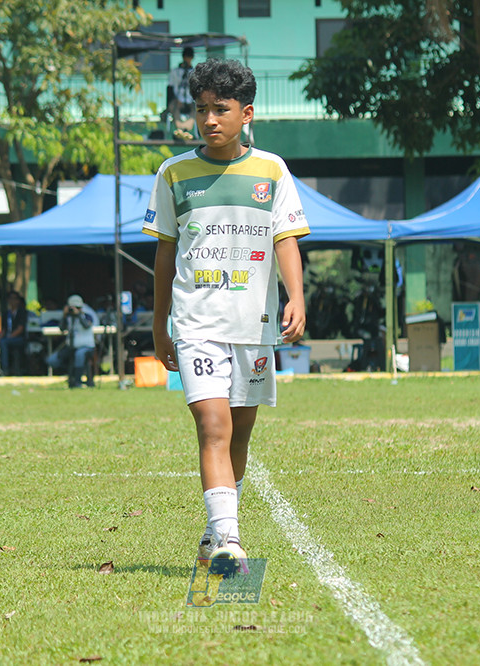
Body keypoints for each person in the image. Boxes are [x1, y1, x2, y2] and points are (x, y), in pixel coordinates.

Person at [144, 59, 310, 568]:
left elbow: (285, 238)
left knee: (239, 431)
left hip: (253, 326)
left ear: (247, 113)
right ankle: (229, 540)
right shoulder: (173, 173)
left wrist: (296, 296)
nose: (209, 119)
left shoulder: (272, 170)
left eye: (220, 109)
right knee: (213, 425)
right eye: (201, 109)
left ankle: (214, 530)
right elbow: (165, 255)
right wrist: (159, 323)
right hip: (196, 323)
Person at [46, 294, 98, 388]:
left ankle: (77, 382)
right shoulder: (68, 318)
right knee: (52, 360)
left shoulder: (87, 316)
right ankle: (69, 375)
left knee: (79, 355)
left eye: (77, 308)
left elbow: (86, 325)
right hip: (71, 346)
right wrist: (64, 315)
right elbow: (61, 328)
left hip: (86, 346)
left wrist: (79, 315)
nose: (75, 310)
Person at [0, 290, 27, 376]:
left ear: (18, 301)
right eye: (10, 299)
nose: (12, 301)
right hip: (7, 338)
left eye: (15, 299)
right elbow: (4, 329)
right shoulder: (6, 314)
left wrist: (8, 338)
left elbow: (20, 329)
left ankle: (5, 369)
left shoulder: (22, 312)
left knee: (4, 342)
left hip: (19, 338)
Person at [166, 46, 195, 131]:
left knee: (197, 109)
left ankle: (188, 127)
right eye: (186, 57)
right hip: (177, 99)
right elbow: (170, 87)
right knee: (175, 108)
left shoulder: (194, 72)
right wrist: (176, 99)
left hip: (190, 100)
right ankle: (179, 127)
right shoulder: (175, 72)